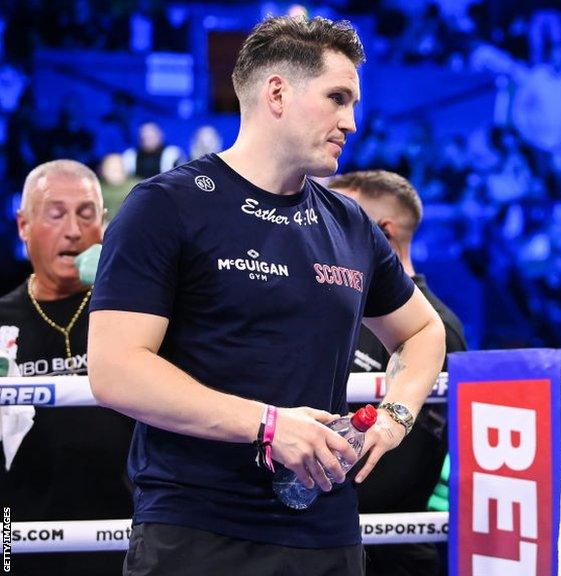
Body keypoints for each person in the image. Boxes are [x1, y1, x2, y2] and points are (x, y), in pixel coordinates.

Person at [87, 16, 446, 576]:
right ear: (277, 92)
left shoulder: (349, 224)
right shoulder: (166, 206)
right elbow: (113, 370)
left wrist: (396, 414)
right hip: (198, 529)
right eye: (337, 98)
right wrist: (268, 424)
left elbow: (425, 331)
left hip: (326, 534)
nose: (351, 122)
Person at [329, 170, 467, 576]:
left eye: (339, 217)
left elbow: (422, 457)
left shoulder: (437, 328)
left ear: (382, 232)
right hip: (321, 531)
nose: (322, 228)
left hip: (388, 545)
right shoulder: (334, 308)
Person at [0, 159, 134, 576]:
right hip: (16, 529)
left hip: (128, 530)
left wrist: (125, 277)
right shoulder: (1, 322)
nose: (73, 230)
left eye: (87, 214)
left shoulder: (136, 313)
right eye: (56, 215)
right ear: (23, 226)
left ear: (105, 225)